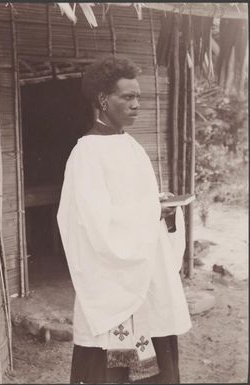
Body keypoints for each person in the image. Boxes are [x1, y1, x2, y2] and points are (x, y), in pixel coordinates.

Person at [57, 56, 192, 384]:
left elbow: (139, 203)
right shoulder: (86, 154)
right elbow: (91, 223)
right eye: (127, 97)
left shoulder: (131, 147)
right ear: (103, 100)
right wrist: (149, 212)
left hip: (146, 275)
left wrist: (165, 210)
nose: (136, 105)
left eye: (139, 98)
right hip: (114, 283)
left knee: (156, 345)